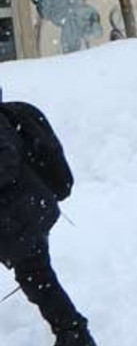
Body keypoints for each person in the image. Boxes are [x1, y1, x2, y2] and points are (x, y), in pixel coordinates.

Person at [0, 100, 96, 346]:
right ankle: (72, 332)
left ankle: (73, 332)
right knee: (36, 276)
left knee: (36, 276)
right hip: (23, 211)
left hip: (17, 216)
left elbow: (6, 161)